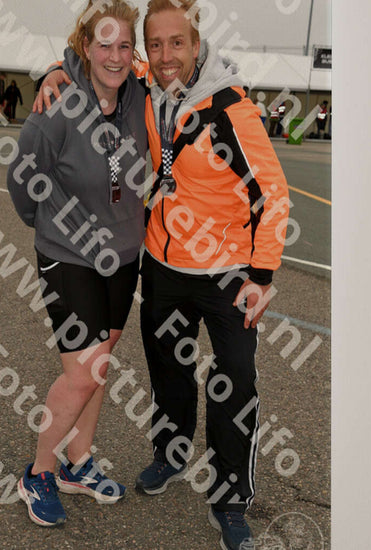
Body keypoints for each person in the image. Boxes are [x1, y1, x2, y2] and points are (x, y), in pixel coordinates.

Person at [35, 1, 289, 548]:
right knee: (169, 371)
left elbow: (273, 195)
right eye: (155, 44)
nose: (165, 54)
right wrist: (55, 70)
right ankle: (170, 456)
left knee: (233, 385)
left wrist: (262, 275)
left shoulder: (231, 109)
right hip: (163, 265)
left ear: (197, 44)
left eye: (177, 43)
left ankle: (230, 500)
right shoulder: (148, 83)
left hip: (226, 273)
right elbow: (99, 57)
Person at [6, 0, 148, 527]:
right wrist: (52, 227)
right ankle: (38, 473)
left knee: (98, 368)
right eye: (104, 44)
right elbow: (22, 181)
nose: (115, 56)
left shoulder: (141, 97)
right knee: (84, 373)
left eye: (124, 46)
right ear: (86, 47)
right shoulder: (58, 103)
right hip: (68, 254)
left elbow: (184, 62)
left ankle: (78, 461)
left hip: (123, 256)